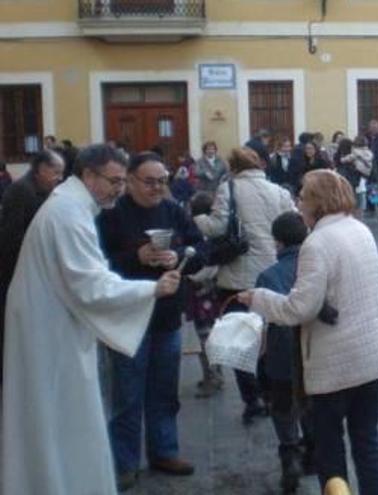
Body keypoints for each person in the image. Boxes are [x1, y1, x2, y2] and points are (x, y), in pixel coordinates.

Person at [2, 144, 181, 495]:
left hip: (53, 325)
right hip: (51, 333)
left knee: (54, 419)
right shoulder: (68, 214)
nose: (119, 188)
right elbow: (91, 285)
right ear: (88, 175)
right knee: (59, 418)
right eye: (114, 180)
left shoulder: (71, 208)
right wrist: (151, 290)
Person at [238, 169, 378, 495]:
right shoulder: (359, 228)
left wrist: (259, 299)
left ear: (317, 201)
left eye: (302, 197)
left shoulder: (317, 242)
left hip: (336, 365)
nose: (298, 204)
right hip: (372, 358)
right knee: (367, 442)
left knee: (330, 449)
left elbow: (300, 309)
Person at [97, 151, 206, 491]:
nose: (157, 187)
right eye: (149, 181)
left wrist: (179, 257)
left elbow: (201, 248)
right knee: (127, 395)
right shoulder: (111, 216)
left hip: (167, 316)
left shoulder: (174, 210)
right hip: (128, 318)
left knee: (164, 391)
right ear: (129, 181)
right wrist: (136, 256)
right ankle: (125, 463)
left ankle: (164, 451)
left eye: (162, 181)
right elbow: (97, 265)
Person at [194, 147, 296, 424]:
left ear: (234, 166)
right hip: (273, 274)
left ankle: (253, 400)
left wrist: (196, 219)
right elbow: (294, 225)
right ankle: (271, 390)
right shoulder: (279, 192)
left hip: (237, 277)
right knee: (269, 336)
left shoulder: (229, 189)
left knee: (241, 339)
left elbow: (215, 227)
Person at [256, 211, 337, 493]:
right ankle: (313, 453)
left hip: (280, 355)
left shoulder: (267, 276)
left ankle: (289, 456)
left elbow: (263, 323)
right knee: (310, 405)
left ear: (276, 243)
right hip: (312, 351)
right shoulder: (317, 266)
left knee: (282, 408)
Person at [0, 150, 65, 383]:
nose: (59, 177)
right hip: (17, 274)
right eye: (55, 172)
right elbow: (11, 239)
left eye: (61, 172)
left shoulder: (43, 191)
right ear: (39, 169)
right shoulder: (21, 192)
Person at [185, 192, 224, 397]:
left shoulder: (200, 232)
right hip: (209, 292)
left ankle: (213, 376)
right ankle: (213, 374)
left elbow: (208, 263)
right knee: (208, 335)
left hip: (202, 292)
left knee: (206, 336)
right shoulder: (214, 231)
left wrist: (191, 278)